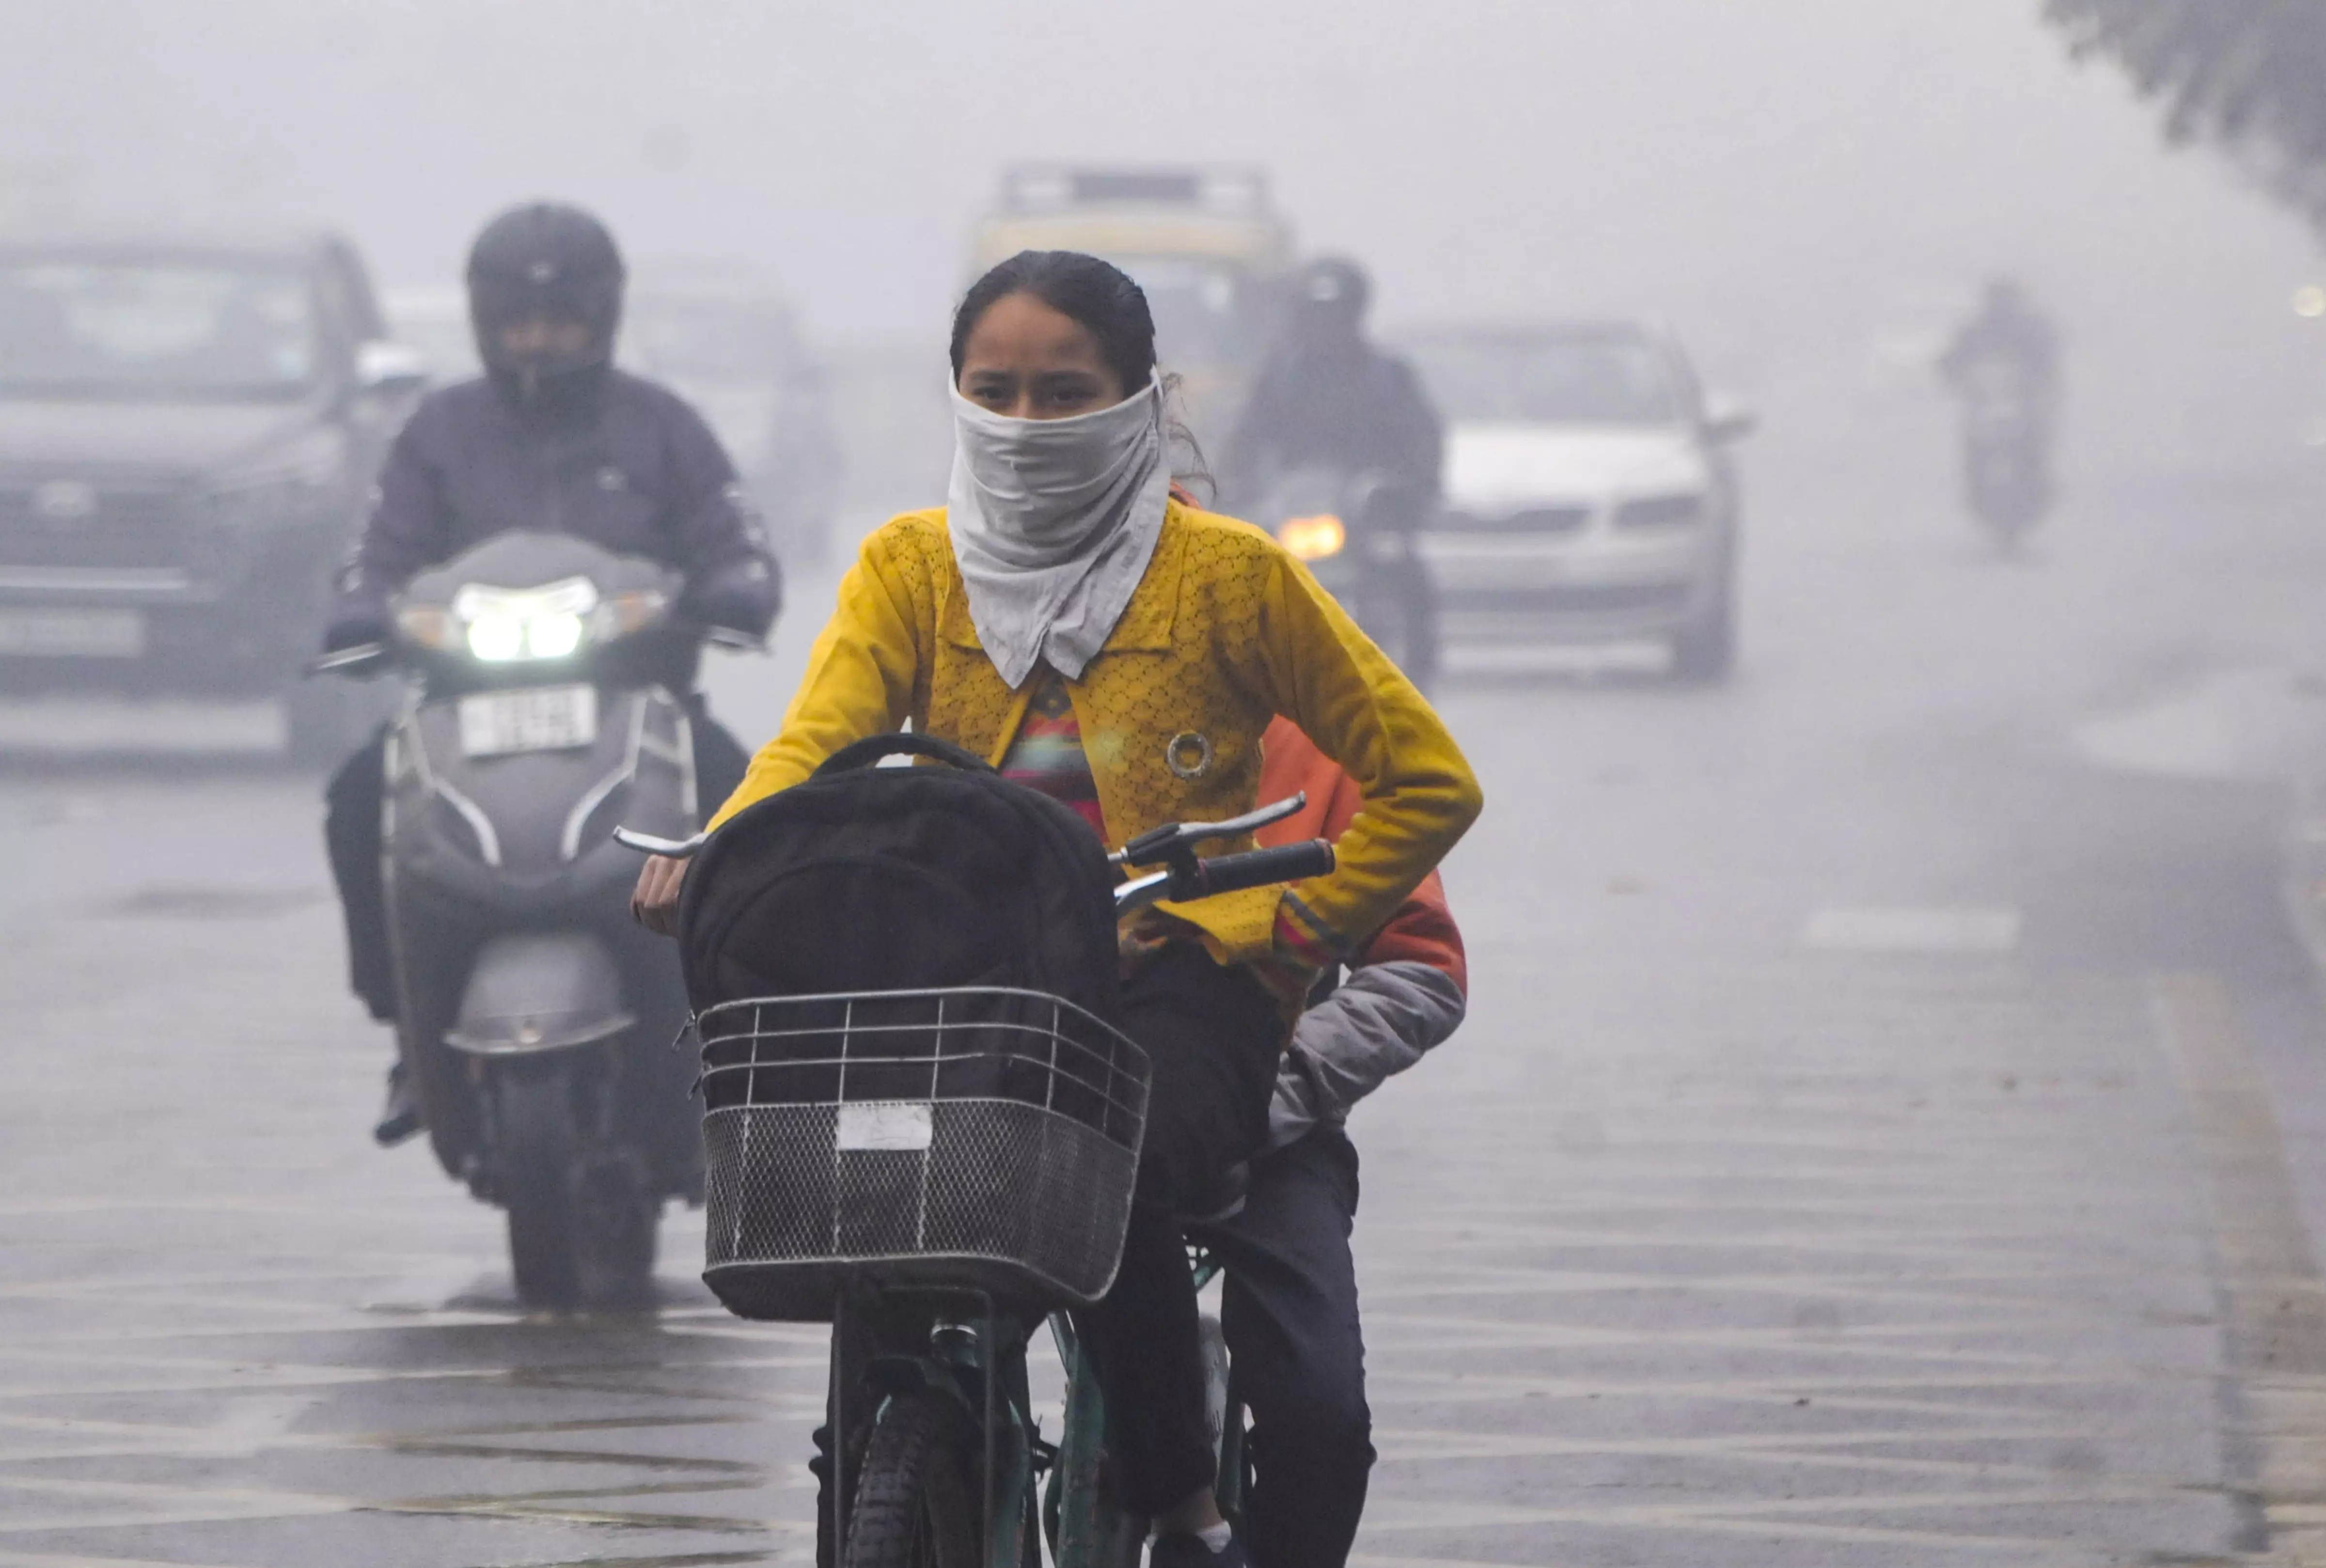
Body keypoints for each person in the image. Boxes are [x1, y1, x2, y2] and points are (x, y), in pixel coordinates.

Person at [631, 249, 1481, 1567]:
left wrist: (1265, 936)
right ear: (957, 396)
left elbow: (1429, 783)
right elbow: (813, 747)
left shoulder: (1235, 577)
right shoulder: (907, 568)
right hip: (970, 986)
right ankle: (886, 1461)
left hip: (1177, 998)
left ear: (1141, 403)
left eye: (1064, 392)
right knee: (873, 1195)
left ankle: (1186, 1505)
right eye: (997, 390)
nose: (1027, 425)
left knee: (1112, 1155)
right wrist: (725, 848)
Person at [324, 201, 780, 1145]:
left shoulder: (665, 429)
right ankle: (407, 1026)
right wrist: (364, 610)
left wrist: (731, 590)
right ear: (486, 320)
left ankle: (746, 1036)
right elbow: (376, 553)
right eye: (521, 323)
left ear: (602, 316)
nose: (540, 343)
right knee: (356, 795)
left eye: (561, 323)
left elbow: (736, 544)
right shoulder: (436, 434)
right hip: (459, 712)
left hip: (641, 706)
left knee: (748, 806)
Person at [1191, 714, 1465, 1568]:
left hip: (1261, 1129)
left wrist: (1269, 1088)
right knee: (900, 1350)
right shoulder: (1016, 704)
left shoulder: (1317, 738)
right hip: (1049, 1114)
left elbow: (1421, 968)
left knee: (1321, 1419)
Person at [1220, 256, 1444, 533]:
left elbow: (1421, 440)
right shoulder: (1279, 377)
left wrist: (1407, 489)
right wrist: (1234, 483)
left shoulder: (1389, 377)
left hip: (1369, 515)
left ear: (1355, 315)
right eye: (1317, 314)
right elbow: (1247, 436)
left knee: (1400, 567)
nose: (1327, 325)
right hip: (1291, 509)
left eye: (1338, 314)